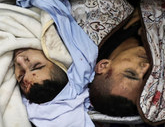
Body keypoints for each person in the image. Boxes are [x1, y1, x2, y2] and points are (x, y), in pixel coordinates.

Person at [14, 8, 149, 119]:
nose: (146, 67)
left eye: (131, 73)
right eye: (148, 76)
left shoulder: (96, 23)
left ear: (103, 66)